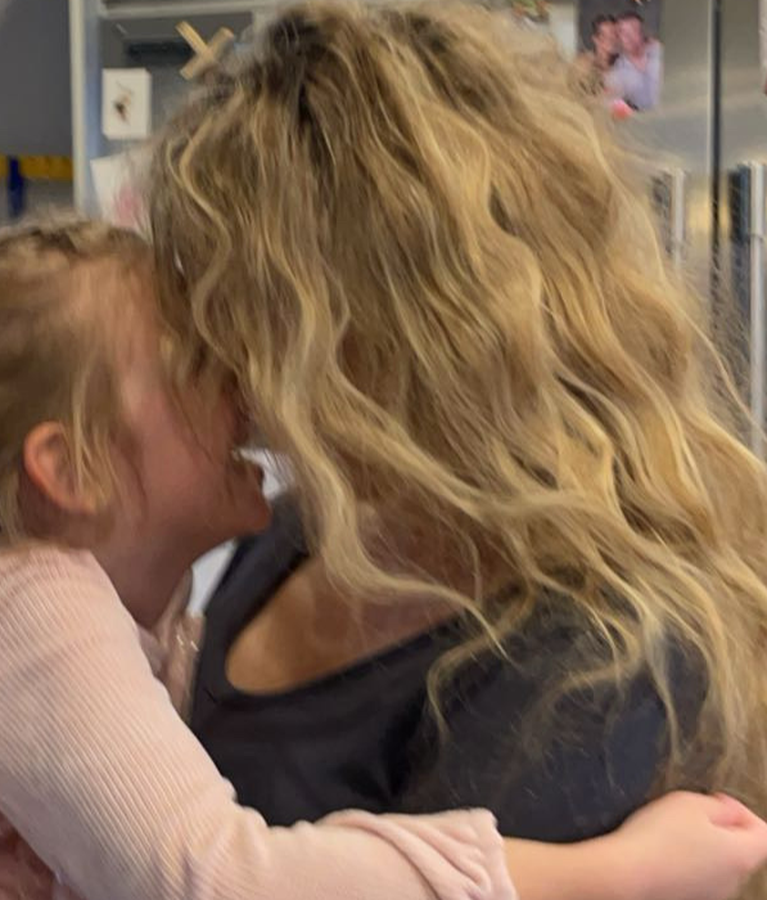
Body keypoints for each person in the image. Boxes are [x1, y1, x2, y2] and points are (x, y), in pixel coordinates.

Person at [0, 217, 767, 900]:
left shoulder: (110, 597)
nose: (254, 387)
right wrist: (603, 876)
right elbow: (215, 880)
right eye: (200, 365)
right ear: (71, 468)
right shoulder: (29, 600)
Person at [147, 0, 767, 870]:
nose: (214, 355)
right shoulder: (302, 526)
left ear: (396, 327)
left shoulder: (592, 657)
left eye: (244, 307)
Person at [610, 11, 662, 111]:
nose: (629, 37)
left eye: (634, 30)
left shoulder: (660, 52)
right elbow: (612, 104)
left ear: (642, 32)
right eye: (623, 32)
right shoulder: (617, 71)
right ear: (618, 38)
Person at [576, 13, 619, 97]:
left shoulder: (622, 64)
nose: (612, 39)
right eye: (606, 36)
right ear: (595, 39)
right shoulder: (584, 63)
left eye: (615, 35)